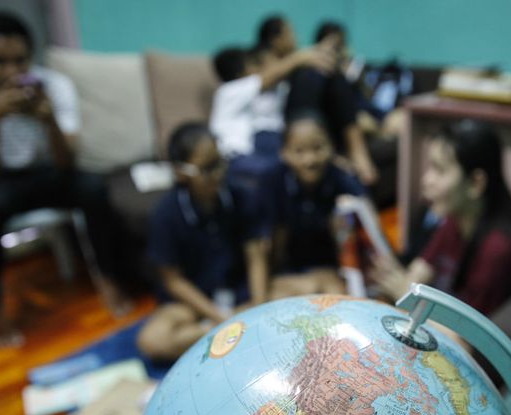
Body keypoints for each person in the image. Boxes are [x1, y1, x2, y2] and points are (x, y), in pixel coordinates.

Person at [0, 10, 130, 346]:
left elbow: (67, 164)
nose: (13, 72)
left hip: (46, 173)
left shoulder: (54, 87)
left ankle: (110, 278)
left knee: (95, 189)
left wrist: (49, 120)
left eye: (20, 61)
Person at [136, 123, 269, 361]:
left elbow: (256, 257)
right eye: (208, 168)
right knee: (152, 341)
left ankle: (222, 338)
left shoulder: (242, 196)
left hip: (241, 295)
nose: (218, 174)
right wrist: (221, 320)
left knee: (300, 292)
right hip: (196, 306)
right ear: (181, 172)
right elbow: (173, 281)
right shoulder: (166, 215)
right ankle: (222, 334)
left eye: (220, 163)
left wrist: (259, 307)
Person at [370, 119, 511, 315]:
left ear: (475, 183)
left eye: (440, 170)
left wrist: (404, 292)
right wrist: (391, 275)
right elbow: (418, 273)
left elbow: (466, 340)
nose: (426, 180)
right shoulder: (453, 222)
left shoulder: (497, 250)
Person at [255, 14, 379, 187]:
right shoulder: (258, 60)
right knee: (313, 74)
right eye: (290, 33)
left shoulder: (294, 63)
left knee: (330, 73)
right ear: (274, 39)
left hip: (308, 116)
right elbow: (257, 82)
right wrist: (302, 57)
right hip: (285, 127)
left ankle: (354, 149)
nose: (295, 38)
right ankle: (344, 150)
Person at [256, 112, 366, 298]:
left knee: (338, 297)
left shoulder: (343, 181)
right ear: (284, 153)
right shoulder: (270, 182)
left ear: (331, 147)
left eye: (318, 148)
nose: (310, 160)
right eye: (299, 151)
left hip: (331, 272)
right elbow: (261, 248)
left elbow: (362, 236)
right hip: (286, 274)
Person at [209, 43, 334, 188]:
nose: (261, 70)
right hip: (238, 160)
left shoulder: (258, 97)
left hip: (266, 154)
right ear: (240, 72)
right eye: (254, 64)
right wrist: (302, 57)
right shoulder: (228, 91)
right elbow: (270, 77)